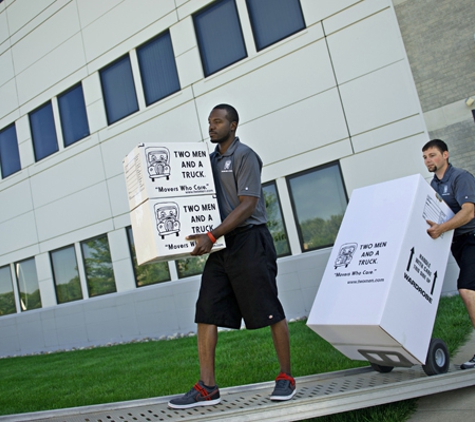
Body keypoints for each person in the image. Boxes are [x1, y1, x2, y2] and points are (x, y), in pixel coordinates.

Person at [168, 104, 296, 409]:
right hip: (222, 244)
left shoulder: (244, 156)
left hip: (251, 240)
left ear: (233, 125)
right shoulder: (207, 161)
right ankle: (207, 387)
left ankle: (286, 376)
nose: (211, 127)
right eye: (209, 122)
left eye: (217, 122)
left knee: (268, 308)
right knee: (206, 310)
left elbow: (248, 204)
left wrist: (210, 235)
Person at [422, 139, 475, 369]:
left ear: (446, 155)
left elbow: (469, 213)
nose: (428, 160)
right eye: (424, 157)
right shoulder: (432, 186)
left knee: (467, 289)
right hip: (458, 244)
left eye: (432, 155)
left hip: (473, 238)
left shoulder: (460, 177)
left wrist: (441, 229)